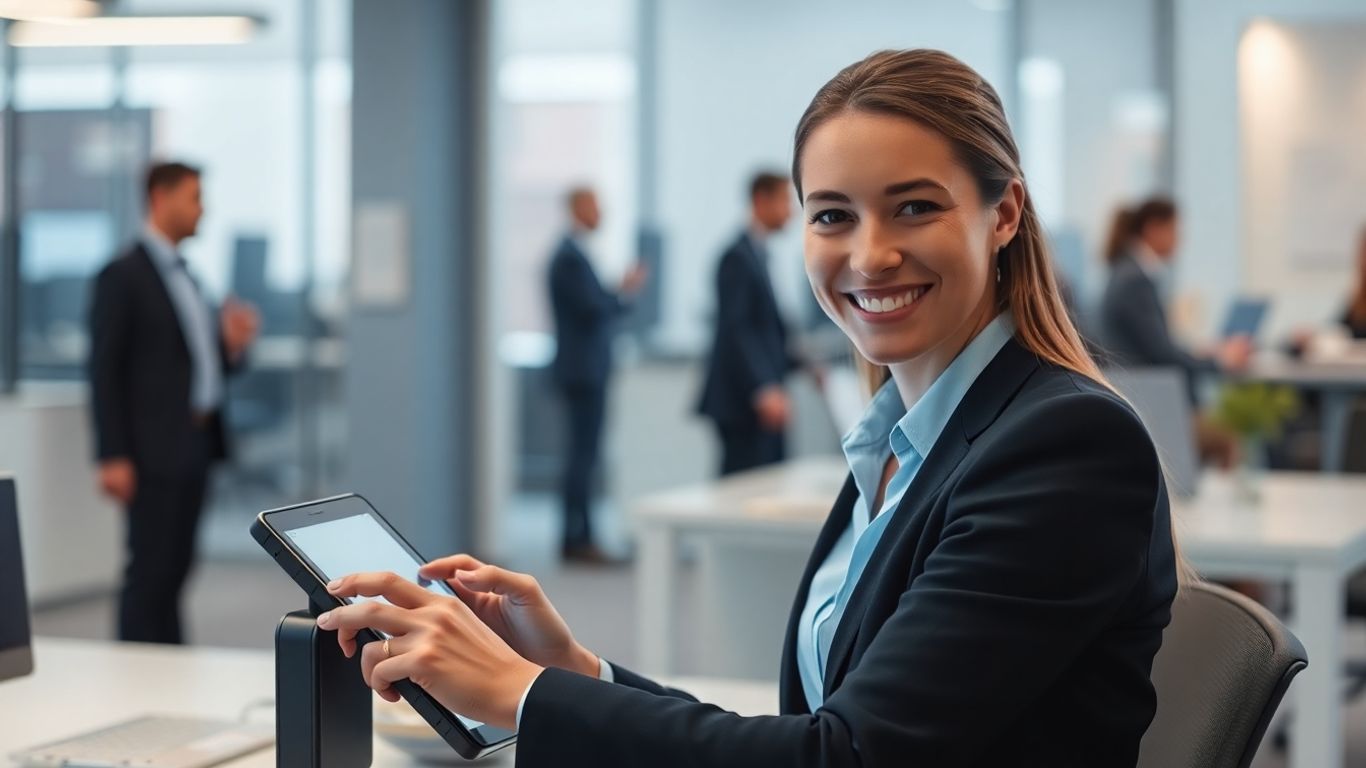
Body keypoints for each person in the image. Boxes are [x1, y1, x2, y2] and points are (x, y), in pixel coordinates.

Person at [315, 49, 1180, 767]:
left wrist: (519, 693)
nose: (870, 255)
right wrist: (569, 669)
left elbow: (843, 758)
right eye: (833, 215)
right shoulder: (903, 444)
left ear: (1004, 215)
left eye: (914, 207)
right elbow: (817, 734)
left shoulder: (1064, 443)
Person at [88, 162, 259, 644]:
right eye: (194, 198)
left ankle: (170, 659)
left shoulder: (189, 277)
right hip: (149, 449)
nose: (203, 209)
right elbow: (104, 372)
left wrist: (233, 346)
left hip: (195, 440)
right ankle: (135, 664)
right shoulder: (122, 275)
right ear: (160, 200)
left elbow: (200, 368)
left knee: (178, 566)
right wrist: (111, 454)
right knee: (151, 569)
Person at [1099, 197, 1251, 468]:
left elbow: (1158, 346)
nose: (1179, 240)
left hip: (1143, 395)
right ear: (1153, 228)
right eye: (1175, 231)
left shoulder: (1129, 272)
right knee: (1228, 433)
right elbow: (1162, 353)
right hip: (1149, 404)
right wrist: (1218, 361)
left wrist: (1204, 354)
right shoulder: (1135, 280)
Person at [546, 187, 646, 564]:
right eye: (594, 207)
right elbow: (594, 308)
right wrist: (625, 291)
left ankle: (578, 536)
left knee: (583, 457)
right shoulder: (568, 257)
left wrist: (617, 293)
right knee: (581, 459)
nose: (600, 214)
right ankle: (577, 539)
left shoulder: (574, 254)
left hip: (586, 371)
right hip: (582, 373)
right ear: (576, 209)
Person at [697, 172, 801, 475]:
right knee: (743, 491)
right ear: (761, 201)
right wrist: (764, 387)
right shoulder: (737, 257)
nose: (790, 212)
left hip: (759, 396)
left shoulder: (759, 255)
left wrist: (805, 364)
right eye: (784, 201)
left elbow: (767, 329)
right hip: (744, 402)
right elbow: (738, 328)